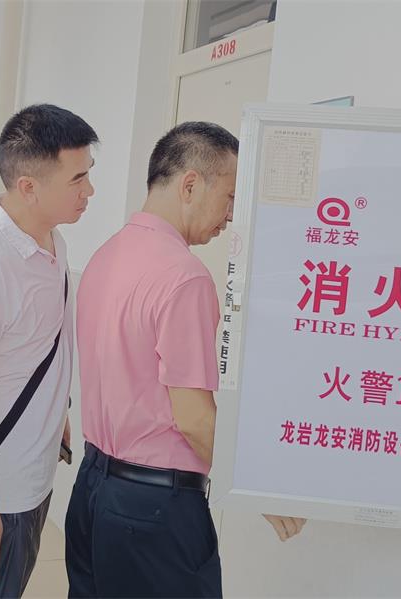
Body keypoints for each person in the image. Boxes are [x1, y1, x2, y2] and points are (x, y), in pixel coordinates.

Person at [66, 122, 307, 598]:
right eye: (230, 197)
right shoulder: (186, 278)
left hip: (92, 490)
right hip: (154, 510)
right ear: (191, 185)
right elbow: (193, 418)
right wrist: (255, 485)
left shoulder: (105, 255)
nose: (231, 216)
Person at [0, 104, 98, 598]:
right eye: (77, 179)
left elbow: (38, 345)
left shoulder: (51, 241)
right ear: (28, 186)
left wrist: (57, 409)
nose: (90, 191)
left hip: (36, 471)